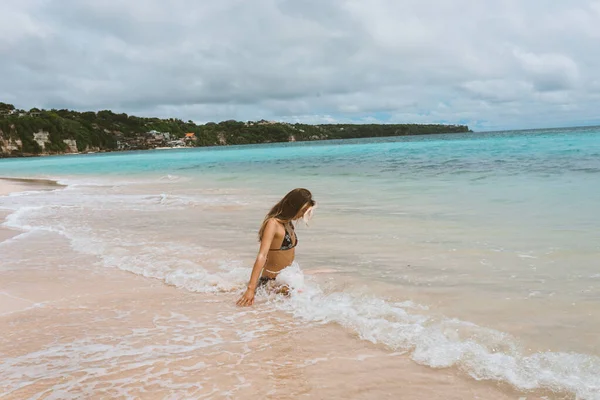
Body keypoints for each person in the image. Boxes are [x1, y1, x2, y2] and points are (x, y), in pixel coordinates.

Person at [236, 188, 316, 307]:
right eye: (303, 210)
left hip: (287, 278)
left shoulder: (287, 223)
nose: (302, 215)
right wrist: (251, 289)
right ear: (294, 207)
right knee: (308, 303)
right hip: (272, 283)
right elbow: (262, 256)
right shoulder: (273, 223)